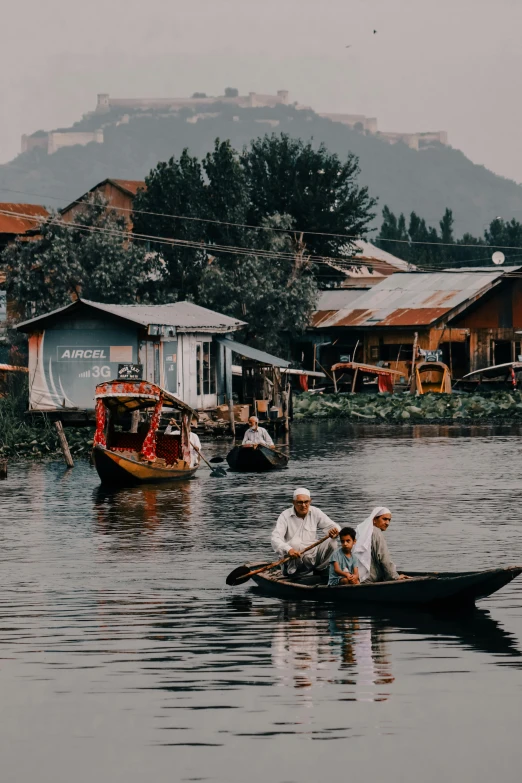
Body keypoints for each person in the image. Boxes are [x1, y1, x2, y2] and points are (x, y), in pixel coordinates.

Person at [271, 488, 340, 575]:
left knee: (332, 542)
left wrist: (334, 532)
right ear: (293, 502)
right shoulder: (285, 516)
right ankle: (293, 572)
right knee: (295, 543)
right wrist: (289, 550)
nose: (303, 505)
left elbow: (334, 526)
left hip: (312, 555)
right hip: (293, 558)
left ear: (310, 501)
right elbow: (275, 538)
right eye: (300, 502)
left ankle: (321, 569)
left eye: (306, 502)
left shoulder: (315, 512)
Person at [353, 507, 409, 583]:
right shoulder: (377, 533)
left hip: (357, 576)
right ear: (374, 520)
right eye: (384, 519)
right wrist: (395, 577)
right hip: (369, 578)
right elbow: (384, 558)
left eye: (389, 520)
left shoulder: (362, 531)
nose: (387, 523)